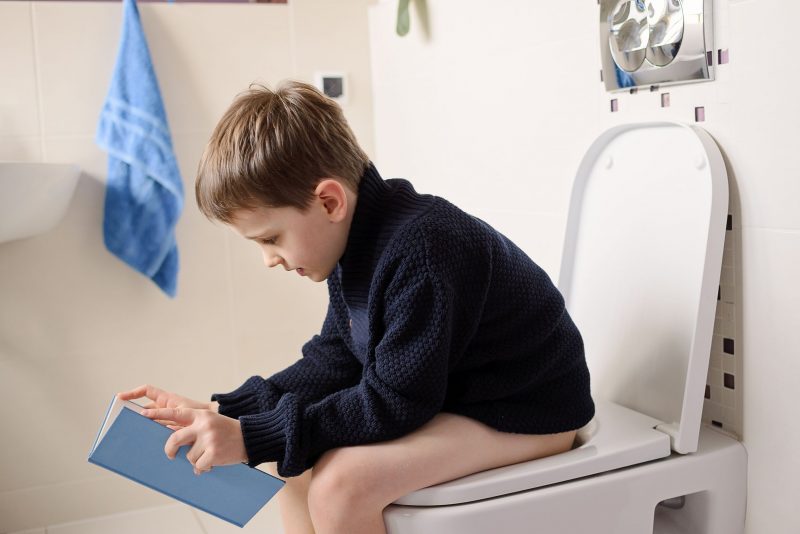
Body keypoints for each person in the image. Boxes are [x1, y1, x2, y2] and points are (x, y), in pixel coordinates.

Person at [119, 80, 595, 534]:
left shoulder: (423, 248)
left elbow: (394, 401)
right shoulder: (358, 245)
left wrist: (252, 437)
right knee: (296, 465)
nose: (268, 259)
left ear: (329, 202)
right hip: (460, 396)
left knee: (341, 486)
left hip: (529, 410)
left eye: (271, 238)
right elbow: (335, 359)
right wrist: (227, 410)